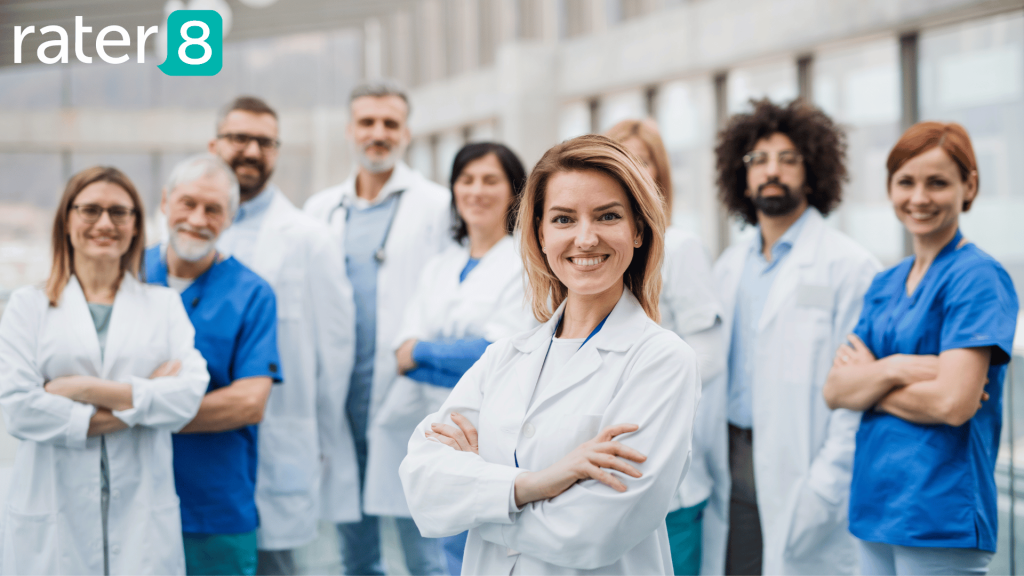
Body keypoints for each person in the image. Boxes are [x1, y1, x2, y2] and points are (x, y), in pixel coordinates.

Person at [399, 134, 701, 575]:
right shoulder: (504, 357)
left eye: (608, 216)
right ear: (539, 234)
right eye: (563, 219)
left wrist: (480, 503)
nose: (585, 237)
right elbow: (422, 485)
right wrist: (538, 483)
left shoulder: (662, 360)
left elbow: (593, 533)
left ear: (637, 229)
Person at [823, 122, 1018, 576]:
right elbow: (834, 390)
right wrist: (896, 369)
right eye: (906, 182)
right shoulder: (885, 283)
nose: (919, 197)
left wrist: (870, 381)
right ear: (890, 188)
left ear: (968, 185)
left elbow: (952, 403)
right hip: (875, 506)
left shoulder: (978, 278)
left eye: (937, 182)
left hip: (940, 514)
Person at [0, 166, 209, 575]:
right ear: (66, 220)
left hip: (142, 523)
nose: (104, 223)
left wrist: (80, 387)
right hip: (52, 518)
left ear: (135, 226)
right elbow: (20, 408)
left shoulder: (163, 305)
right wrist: (147, 398)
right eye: (90, 210)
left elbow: (187, 397)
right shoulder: (27, 306)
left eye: (119, 212)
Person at [711, 98, 881, 575]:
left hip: (807, 462)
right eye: (759, 160)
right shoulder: (727, 268)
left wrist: (827, 485)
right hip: (732, 458)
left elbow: (860, 395)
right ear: (740, 175)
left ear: (813, 171)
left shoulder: (849, 267)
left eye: (788, 160)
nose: (772, 171)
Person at [305, 79, 451, 576]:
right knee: (356, 554)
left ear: (406, 133)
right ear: (350, 130)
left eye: (390, 123)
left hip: (405, 399)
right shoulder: (321, 211)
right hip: (341, 403)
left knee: (424, 550)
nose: (378, 133)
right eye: (367, 122)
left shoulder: (437, 206)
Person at [210, 96, 358, 575]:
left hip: (279, 433)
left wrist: (320, 434)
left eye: (264, 142)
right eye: (239, 138)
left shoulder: (307, 237)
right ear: (214, 145)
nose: (251, 151)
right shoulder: (191, 232)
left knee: (274, 563)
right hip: (202, 437)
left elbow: (336, 352)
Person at [392, 142, 536, 575]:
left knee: (475, 554)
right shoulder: (439, 265)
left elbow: (497, 353)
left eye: (490, 180)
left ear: (514, 192)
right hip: (430, 425)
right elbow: (400, 352)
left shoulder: (525, 263)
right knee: (428, 555)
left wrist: (424, 352)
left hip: (485, 432)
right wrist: (434, 352)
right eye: (466, 179)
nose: (476, 191)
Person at [143, 155, 282, 576]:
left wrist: (135, 408)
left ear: (231, 217)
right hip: (131, 497)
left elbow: (248, 403)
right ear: (165, 202)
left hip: (213, 507)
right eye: (188, 203)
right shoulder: (125, 275)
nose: (198, 219)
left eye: (214, 209)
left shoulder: (252, 293)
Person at [605, 119, 726, 575]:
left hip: (668, 474)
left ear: (659, 175)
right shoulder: (594, 251)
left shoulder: (680, 247)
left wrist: (631, 395)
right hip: (603, 475)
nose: (629, 171)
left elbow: (708, 357)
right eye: (618, 159)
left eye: (641, 160)